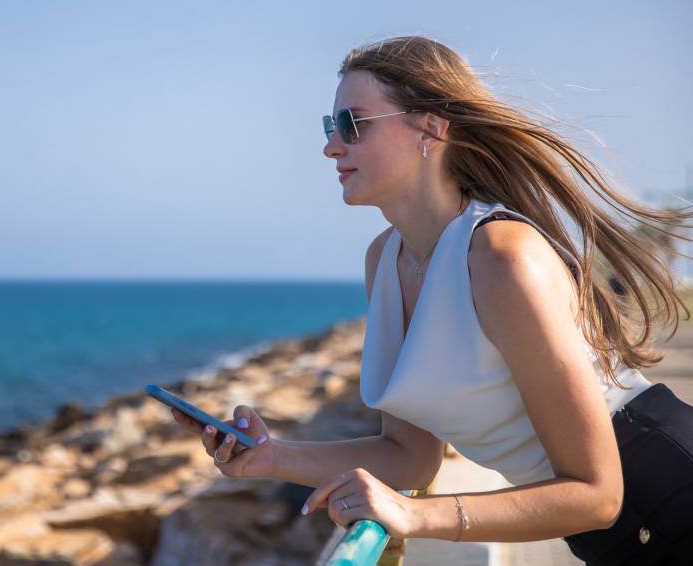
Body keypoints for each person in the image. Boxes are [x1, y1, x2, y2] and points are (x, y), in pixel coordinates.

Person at [170, 36, 693, 565]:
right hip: (617, 539)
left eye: (353, 124)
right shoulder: (386, 260)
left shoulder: (499, 257)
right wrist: (271, 457)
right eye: (331, 129)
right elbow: (409, 458)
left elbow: (597, 493)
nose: (332, 147)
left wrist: (415, 515)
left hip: (672, 489)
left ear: (432, 127)